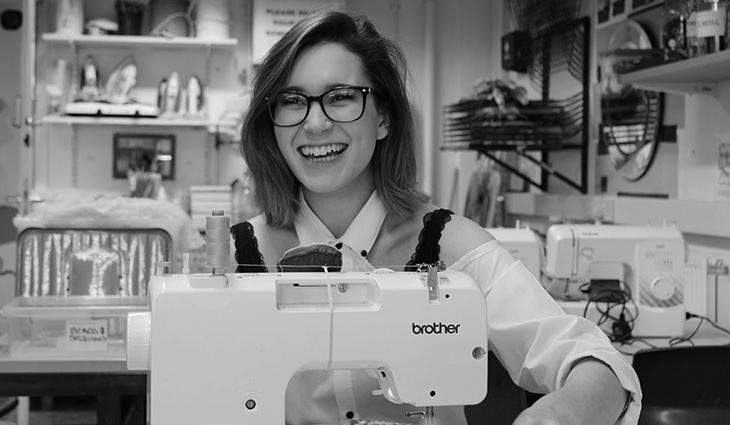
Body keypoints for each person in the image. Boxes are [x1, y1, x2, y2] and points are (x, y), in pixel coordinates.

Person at [232, 6, 641, 425]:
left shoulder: (451, 247)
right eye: (292, 101)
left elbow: (595, 362)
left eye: (340, 97)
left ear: (384, 118)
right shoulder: (237, 258)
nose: (315, 123)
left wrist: (560, 413)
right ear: (272, 122)